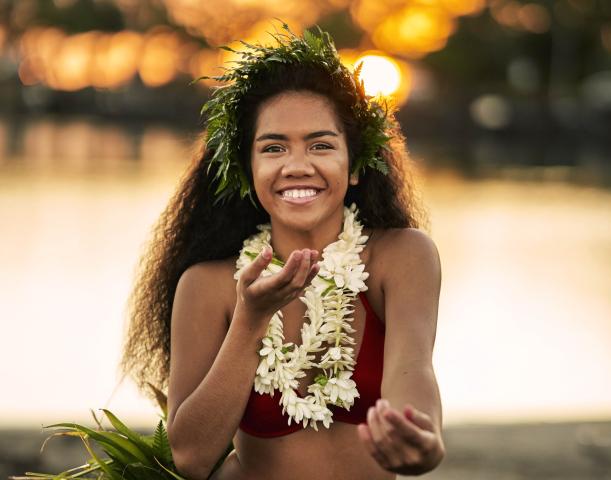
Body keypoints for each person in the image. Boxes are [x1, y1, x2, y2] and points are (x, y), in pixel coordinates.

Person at [119, 24, 445, 480]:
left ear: (353, 168)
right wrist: (251, 320)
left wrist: (421, 438)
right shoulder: (207, 285)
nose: (297, 166)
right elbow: (191, 456)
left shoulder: (401, 257)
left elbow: (413, 372)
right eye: (273, 147)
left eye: (321, 145)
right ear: (247, 171)